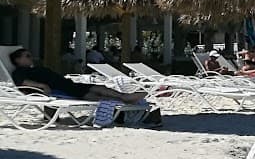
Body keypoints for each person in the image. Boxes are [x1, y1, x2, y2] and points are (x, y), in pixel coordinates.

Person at [6, 46, 156, 112]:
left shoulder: (31, 69)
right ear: (18, 60)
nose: (31, 57)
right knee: (93, 92)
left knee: (95, 88)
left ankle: (124, 98)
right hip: (60, 88)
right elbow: (23, 83)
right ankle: (123, 98)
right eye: (27, 56)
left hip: (64, 84)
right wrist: (42, 87)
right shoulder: (19, 72)